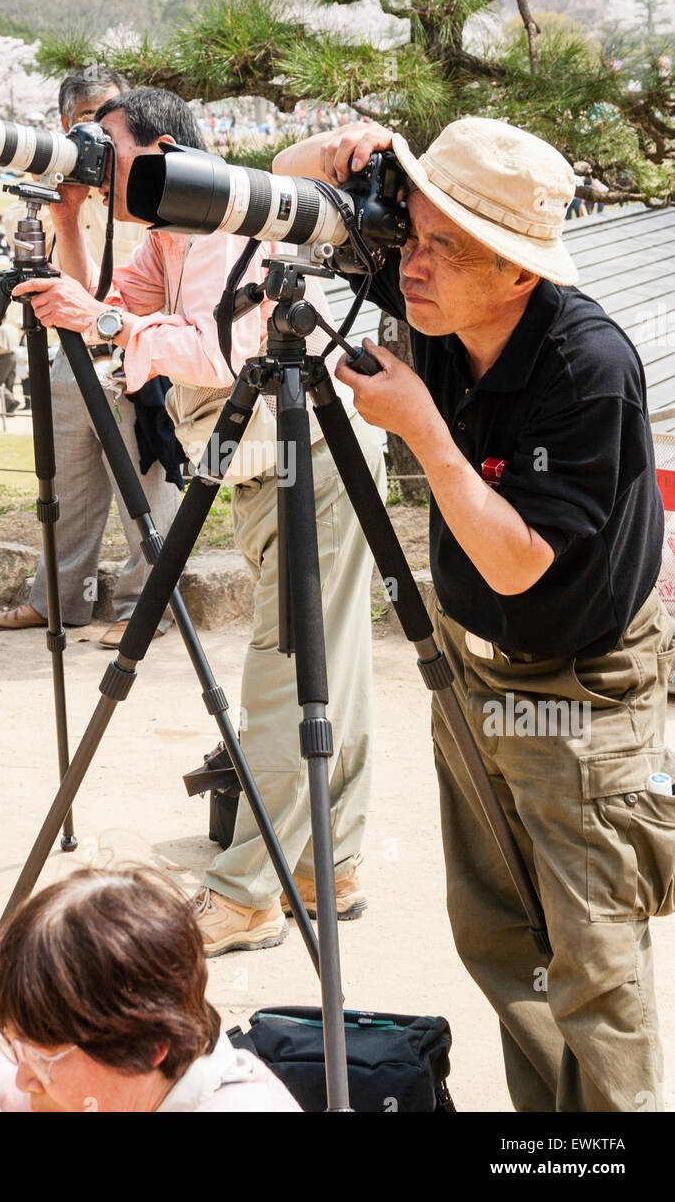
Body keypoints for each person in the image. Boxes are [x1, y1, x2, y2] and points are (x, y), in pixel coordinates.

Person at [274, 115, 675, 1112]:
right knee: (496, 932)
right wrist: (318, 153)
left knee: (591, 958)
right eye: (412, 230)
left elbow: (515, 561)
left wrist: (421, 426)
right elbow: (267, 208)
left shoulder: (586, 366)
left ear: (515, 273)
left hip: (580, 684)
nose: (411, 261)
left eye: (445, 243)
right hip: (472, 665)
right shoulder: (432, 289)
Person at [16, 87, 386, 956]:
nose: (102, 166)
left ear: (167, 152)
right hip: (266, 465)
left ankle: (249, 894)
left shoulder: (226, 219)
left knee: (285, 674)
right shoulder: (163, 234)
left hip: (312, 459)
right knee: (334, 665)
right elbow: (108, 299)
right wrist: (73, 219)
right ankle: (329, 864)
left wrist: (107, 321)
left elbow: (225, 349)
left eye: (111, 151)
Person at [0, 866, 301, 1113]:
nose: (24, 1079)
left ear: (150, 1047)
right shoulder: (99, 1082)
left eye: (40, 1056)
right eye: (11, 1045)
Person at [0, 69, 181, 649]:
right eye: (85, 129)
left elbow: (119, 301)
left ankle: (142, 610)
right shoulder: (60, 189)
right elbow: (73, 293)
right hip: (75, 353)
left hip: (138, 350)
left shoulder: (148, 190)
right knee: (66, 486)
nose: (97, 145)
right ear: (64, 127)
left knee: (145, 494)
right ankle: (56, 601)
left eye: (109, 125)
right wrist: (62, 214)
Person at [0, 307, 21, 413]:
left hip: (6, 356)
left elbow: (3, 347)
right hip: (15, 355)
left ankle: (12, 401)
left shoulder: (2, 329)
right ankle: (9, 410)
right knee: (9, 383)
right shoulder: (12, 327)